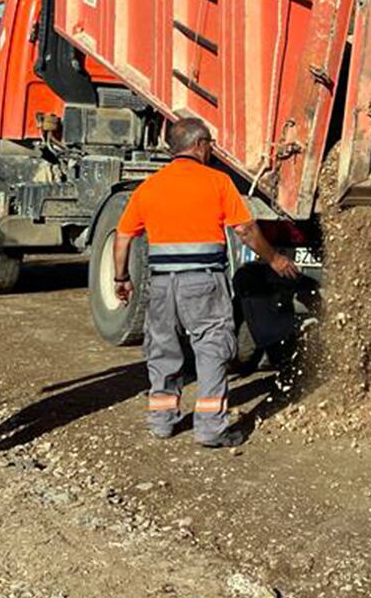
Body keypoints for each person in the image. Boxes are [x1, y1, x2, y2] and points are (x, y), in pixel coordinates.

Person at [113, 116, 300, 448]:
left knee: (163, 347)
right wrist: (274, 259)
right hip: (202, 281)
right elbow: (244, 230)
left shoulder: (150, 187)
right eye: (210, 144)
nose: (212, 150)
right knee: (212, 348)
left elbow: (124, 238)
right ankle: (211, 429)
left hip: (161, 285)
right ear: (199, 145)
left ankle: (162, 422)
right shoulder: (217, 183)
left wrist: (121, 277)